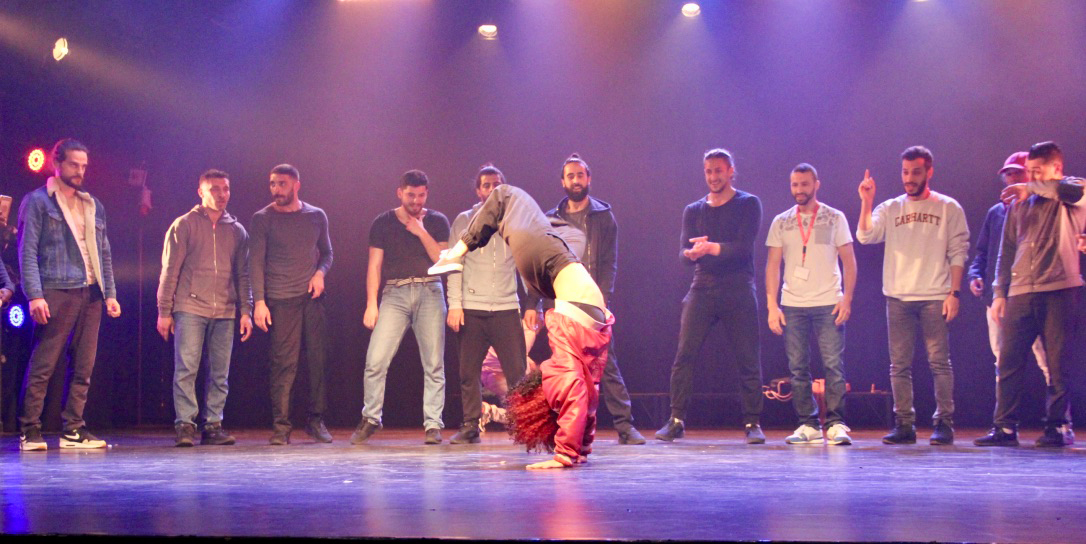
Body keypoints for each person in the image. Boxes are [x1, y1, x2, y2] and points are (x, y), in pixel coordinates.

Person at [430, 183, 613, 469]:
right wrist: (577, 450)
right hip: (569, 292)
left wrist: (566, 453)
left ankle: (458, 250)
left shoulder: (567, 349)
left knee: (505, 196)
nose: (538, 373)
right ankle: (461, 249)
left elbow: (577, 396)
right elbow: (586, 397)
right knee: (517, 209)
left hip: (553, 275)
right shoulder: (573, 364)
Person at [856, 146, 969, 445]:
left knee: (939, 362)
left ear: (929, 172)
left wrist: (954, 293)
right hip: (898, 296)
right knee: (899, 365)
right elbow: (865, 236)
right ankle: (904, 424)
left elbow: (958, 252)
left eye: (915, 172)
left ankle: (944, 423)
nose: (909, 178)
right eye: (905, 172)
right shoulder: (891, 207)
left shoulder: (948, 207)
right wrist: (867, 202)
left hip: (935, 295)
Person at [975, 141, 1085, 448]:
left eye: (1038, 171)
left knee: (1058, 363)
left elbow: (1076, 190)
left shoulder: (1071, 193)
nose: (1032, 177)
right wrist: (1000, 293)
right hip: (1021, 291)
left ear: (1056, 169)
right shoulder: (1020, 204)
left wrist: (1032, 188)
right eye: (1030, 172)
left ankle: (1058, 426)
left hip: (1059, 289)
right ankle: (1004, 427)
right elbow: (1006, 251)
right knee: (1009, 360)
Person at [17, 138, 121, 451]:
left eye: (83, 166)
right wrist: (35, 295)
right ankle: (29, 429)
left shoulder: (93, 204)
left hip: (91, 292)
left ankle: (73, 429)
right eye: (74, 164)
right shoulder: (38, 202)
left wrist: (110, 293)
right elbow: (27, 251)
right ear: (57, 163)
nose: (79, 171)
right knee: (44, 363)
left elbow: (103, 253)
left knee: (84, 366)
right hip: (56, 289)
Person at [656, 149, 765, 444]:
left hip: (738, 287)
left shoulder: (748, 204)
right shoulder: (693, 210)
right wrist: (692, 254)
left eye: (718, 170)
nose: (713, 177)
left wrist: (711, 248)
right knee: (684, 354)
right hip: (703, 286)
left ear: (731, 171)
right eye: (708, 171)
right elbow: (683, 253)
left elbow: (744, 248)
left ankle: (752, 422)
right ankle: (676, 420)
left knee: (747, 357)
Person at [545, 154, 646, 445]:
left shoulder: (603, 217)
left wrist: (602, 299)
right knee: (565, 368)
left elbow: (609, 262)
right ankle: (562, 430)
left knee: (606, 364)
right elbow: (544, 262)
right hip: (564, 299)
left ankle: (625, 426)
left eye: (580, 175)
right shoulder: (551, 219)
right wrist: (540, 302)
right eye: (570, 176)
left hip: (593, 300)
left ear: (588, 178)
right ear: (563, 182)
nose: (576, 180)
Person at [352, 170, 450, 445]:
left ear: (426, 194)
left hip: (430, 289)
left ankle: (433, 424)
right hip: (395, 292)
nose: (416, 201)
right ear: (400, 192)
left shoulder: (438, 221)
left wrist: (420, 231)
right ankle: (371, 417)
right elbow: (374, 266)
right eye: (410, 195)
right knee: (376, 359)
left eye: (420, 195)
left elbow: (442, 261)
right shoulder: (383, 222)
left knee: (434, 362)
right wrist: (371, 304)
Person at [156, 169, 253, 447]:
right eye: (215, 189)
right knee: (187, 368)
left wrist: (245, 311)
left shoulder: (237, 231)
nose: (222, 195)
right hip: (190, 306)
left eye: (225, 189)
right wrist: (164, 311)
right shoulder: (184, 225)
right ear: (201, 192)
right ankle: (185, 425)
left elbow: (243, 274)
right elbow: (170, 271)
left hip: (225, 309)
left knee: (220, 372)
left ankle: (213, 425)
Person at [766, 163, 857, 445]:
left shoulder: (834, 217)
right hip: (793, 303)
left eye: (804, 184)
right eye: (795, 184)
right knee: (797, 368)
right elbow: (772, 265)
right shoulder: (781, 221)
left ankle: (836, 424)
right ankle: (808, 424)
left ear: (816, 184)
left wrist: (847, 299)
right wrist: (772, 306)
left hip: (829, 301)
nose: (799, 190)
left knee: (833, 365)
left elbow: (849, 262)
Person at [250, 164, 334, 445]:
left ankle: (316, 421)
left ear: (296, 185)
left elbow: (327, 253)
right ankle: (281, 427)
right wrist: (259, 302)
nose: (276, 189)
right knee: (284, 365)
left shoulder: (316, 216)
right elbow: (255, 263)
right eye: (272, 184)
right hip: (281, 299)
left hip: (312, 299)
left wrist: (320, 273)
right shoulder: (263, 219)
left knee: (318, 361)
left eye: (282, 184)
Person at [445, 165, 529, 444]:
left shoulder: (515, 221)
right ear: (478, 190)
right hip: (472, 308)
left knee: (517, 372)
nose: (492, 190)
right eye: (486, 185)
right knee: (468, 371)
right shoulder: (463, 220)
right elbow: (454, 264)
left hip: (506, 307)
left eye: (497, 184)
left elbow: (526, 264)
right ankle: (471, 425)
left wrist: (533, 305)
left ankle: (523, 424)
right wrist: (455, 304)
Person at [967, 153, 1049, 391]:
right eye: (1008, 174)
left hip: (1032, 293)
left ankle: (1059, 412)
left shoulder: (1042, 208)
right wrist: (975, 275)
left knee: (1046, 357)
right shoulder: (996, 212)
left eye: (1017, 173)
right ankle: (1004, 413)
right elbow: (982, 252)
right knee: (1001, 359)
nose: (1012, 178)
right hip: (999, 297)